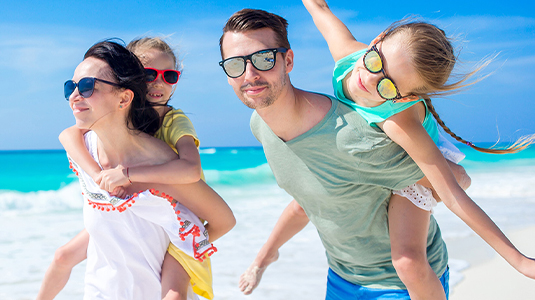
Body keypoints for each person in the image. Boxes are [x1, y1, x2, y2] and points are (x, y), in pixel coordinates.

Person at [217, 8, 535, 299]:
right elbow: (321, 10)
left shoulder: (390, 126)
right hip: (343, 276)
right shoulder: (347, 61)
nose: (369, 80)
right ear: (376, 41)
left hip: (405, 254)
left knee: (408, 260)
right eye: (375, 62)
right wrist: (263, 257)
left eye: (387, 85)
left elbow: (453, 192)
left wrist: (519, 261)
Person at [39, 40, 235, 300]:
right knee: (64, 255)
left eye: (87, 87)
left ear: (125, 95)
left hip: (175, 232)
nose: (75, 96)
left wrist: (181, 248)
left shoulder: (167, 145)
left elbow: (196, 181)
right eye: (71, 87)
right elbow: (68, 136)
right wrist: (98, 176)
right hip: (104, 285)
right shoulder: (88, 145)